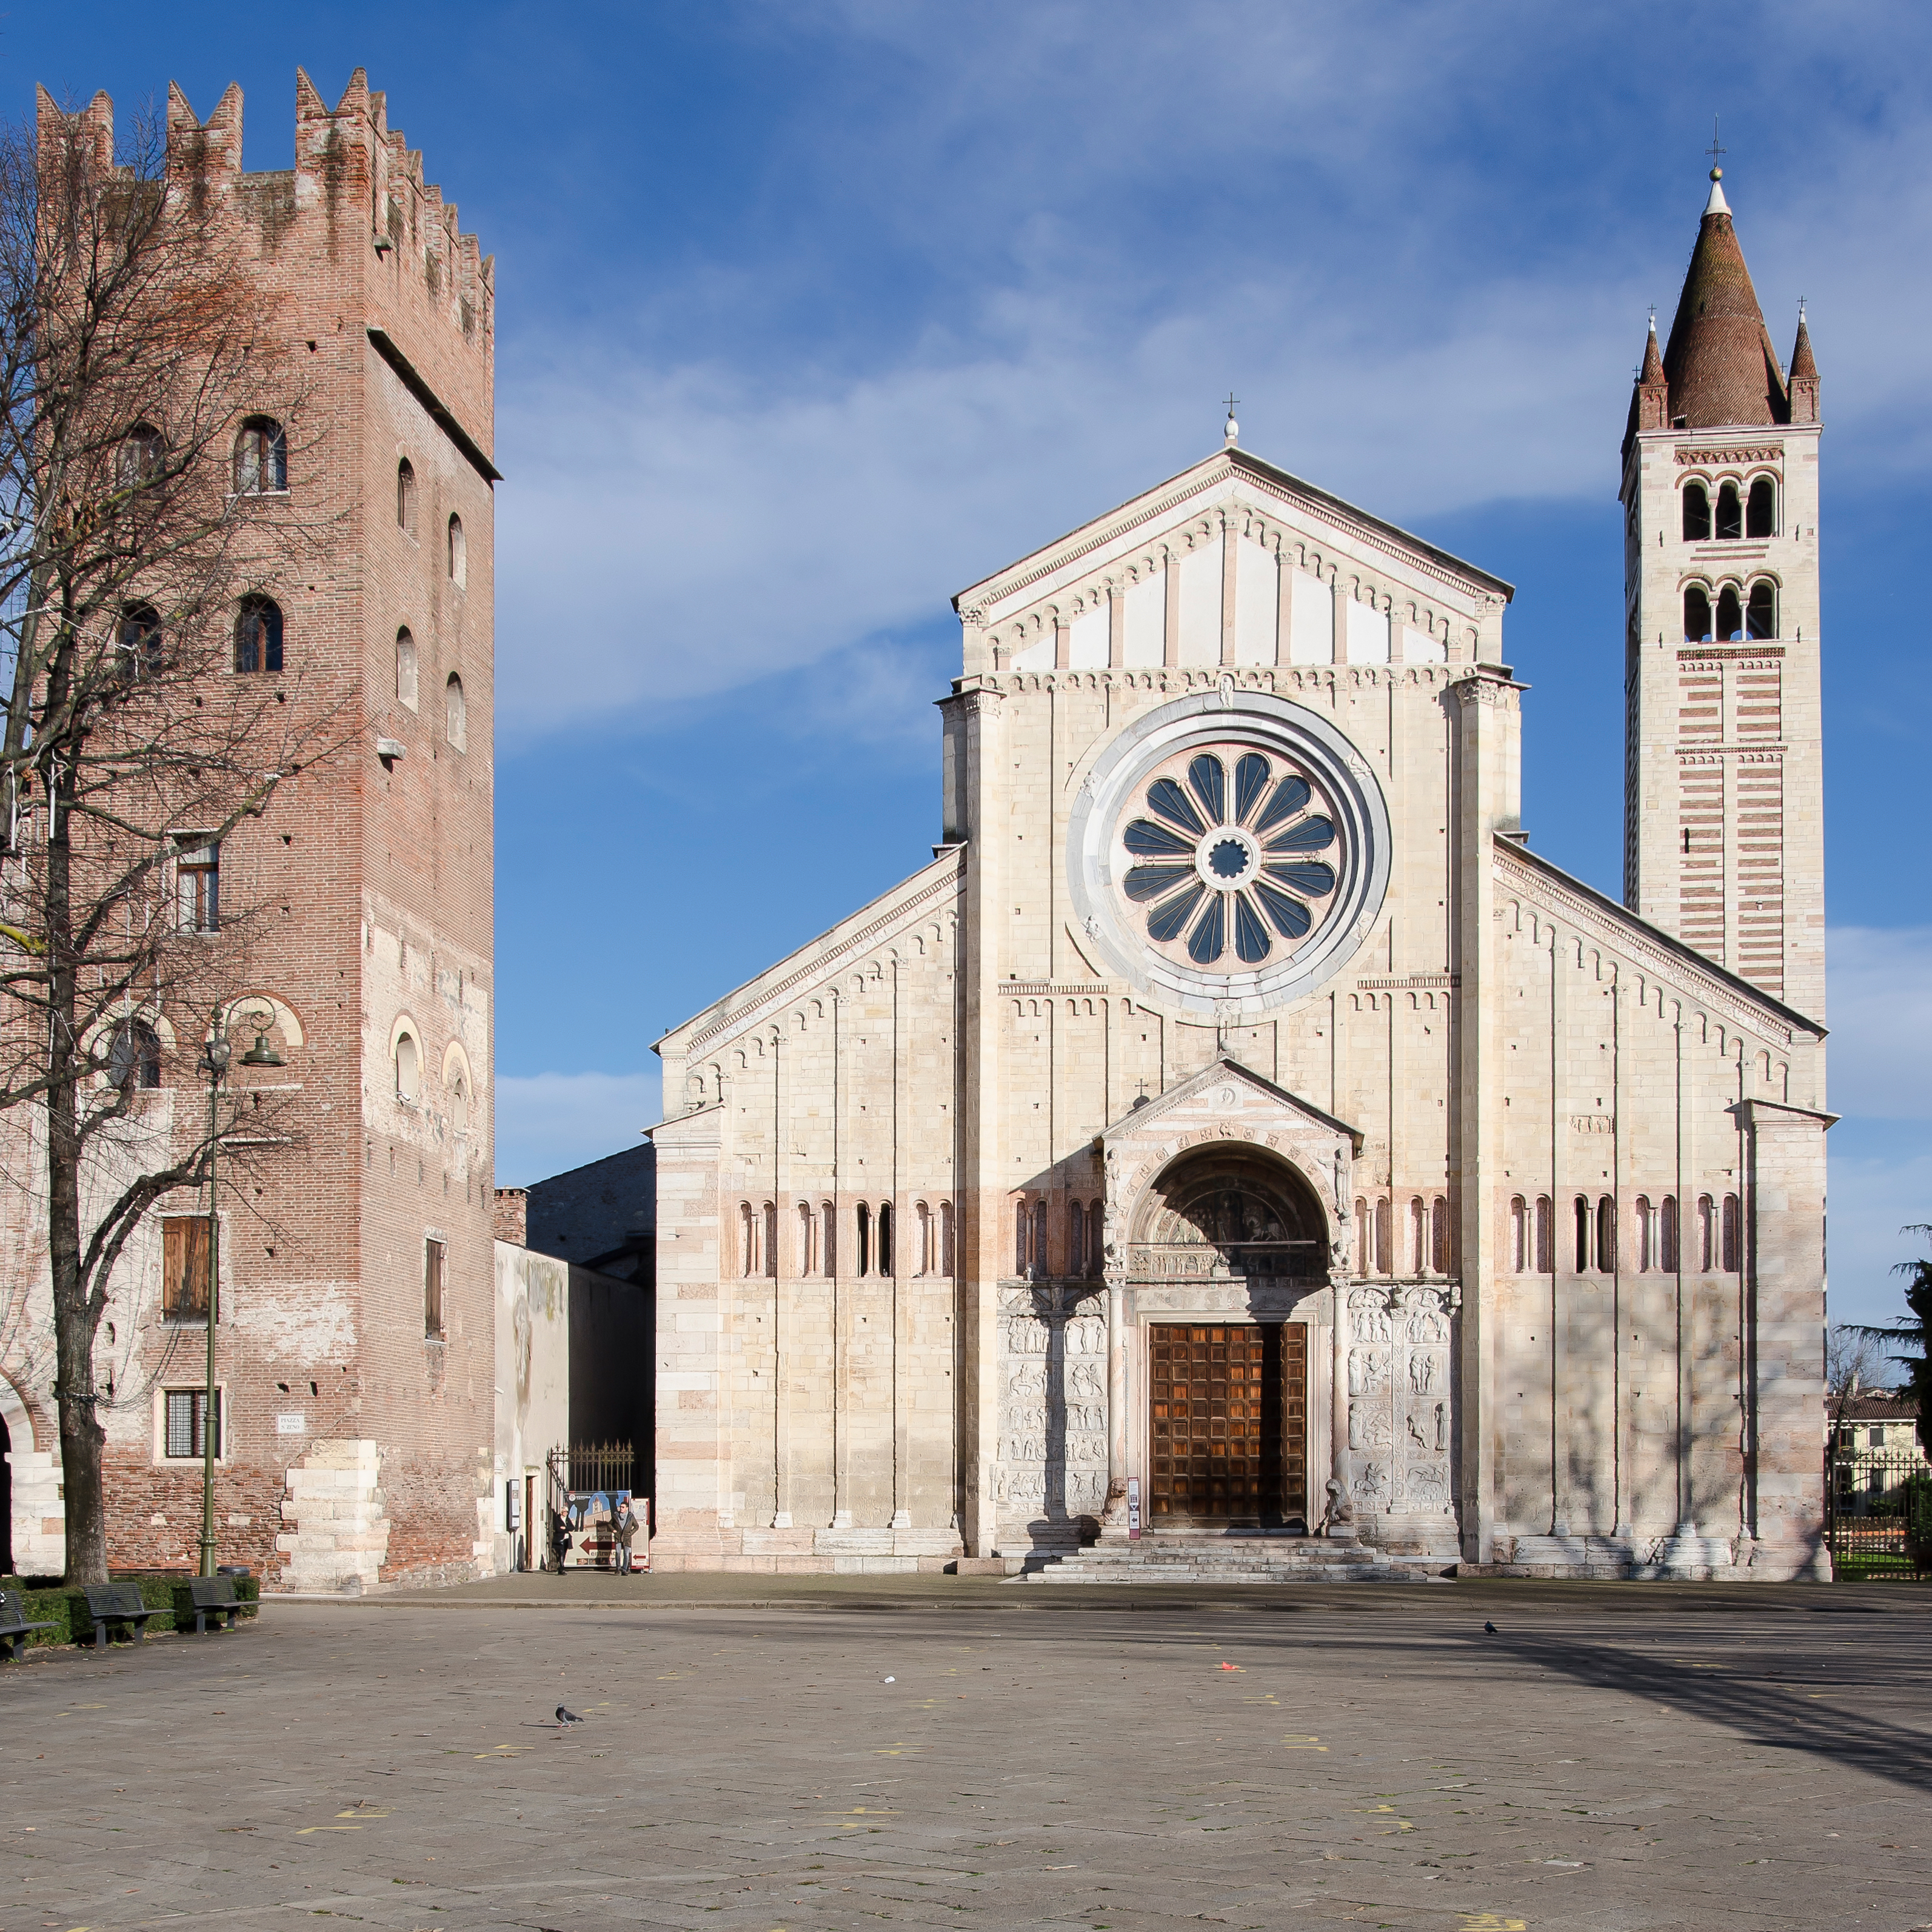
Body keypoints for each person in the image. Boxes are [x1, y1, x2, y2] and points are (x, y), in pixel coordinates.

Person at [614, 1497, 640, 1575]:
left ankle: (625, 1569)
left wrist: (631, 1533)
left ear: (627, 1508)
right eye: (620, 1507)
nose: (621, 1509)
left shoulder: (630, 1517)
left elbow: (636, 1526)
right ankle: (618, 1568)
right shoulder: (616, 1515)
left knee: (626, 1554)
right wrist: (613, 1530)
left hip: (627, 1538)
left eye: (623, 1507)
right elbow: (610, 1524)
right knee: (618, 1552)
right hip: (618, 1537)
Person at [549, 1499, 572, 1574]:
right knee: (561, 1553)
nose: (566, 1513)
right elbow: (558, 1529)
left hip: (566, 1539)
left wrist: (565, 1528)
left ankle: (560, 1568)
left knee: (564, 1554)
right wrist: (566, 1529)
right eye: (564, 1512)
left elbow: (572, 1528)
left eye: (567, 1512)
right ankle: (562, 1569)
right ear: (561, 1512)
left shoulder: (568, 1520)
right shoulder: (558, 1519)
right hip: (560, 1539)